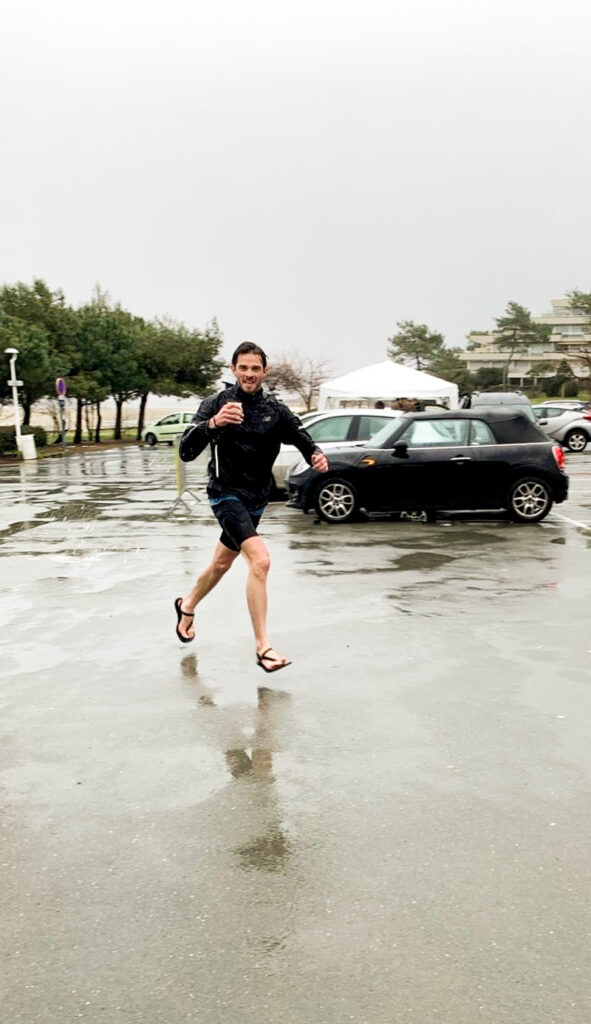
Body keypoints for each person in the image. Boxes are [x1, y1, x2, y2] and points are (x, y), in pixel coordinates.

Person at [174, 342, 329, 672]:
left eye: (255, 368)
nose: (249, 373)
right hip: (225, 494)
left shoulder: (275, 409)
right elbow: (186, 451)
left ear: (264, 372)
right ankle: (264, 648)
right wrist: (213, 424)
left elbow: (301, 436)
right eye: (243, 367)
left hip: (257, 499)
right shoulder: (215, 404)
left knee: (220, 565)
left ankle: (186, 605)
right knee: (260, 560)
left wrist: (314, 455)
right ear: (233, 370)